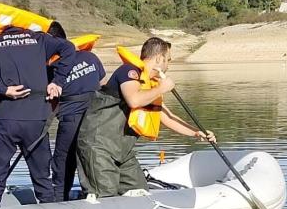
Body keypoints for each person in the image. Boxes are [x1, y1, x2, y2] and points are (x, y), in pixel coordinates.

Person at [76, 37, 214, 198]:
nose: (168, 65)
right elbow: (134, 100)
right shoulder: (129, 71)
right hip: (99, 146)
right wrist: (162, 88)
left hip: (122, 150)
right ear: (159, 59)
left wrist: (197, 133)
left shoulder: (150, 85)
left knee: (140, 190)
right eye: (168, 60)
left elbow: (168, 117)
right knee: (105, 195)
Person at [0, 25, 76, 209]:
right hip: (36, 120)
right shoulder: (39, 39)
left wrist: (1, 88)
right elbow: (68, 48)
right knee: (42, 178)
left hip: (6, 119)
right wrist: (57, 82)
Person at [46, 21, 107, 201]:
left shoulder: (54, 68)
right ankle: (97, 193)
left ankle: (58, 199)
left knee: (63, 160)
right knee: (90, 157)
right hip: (96, 117)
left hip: (71, 119)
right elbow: (104, 86)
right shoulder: (90, 57)